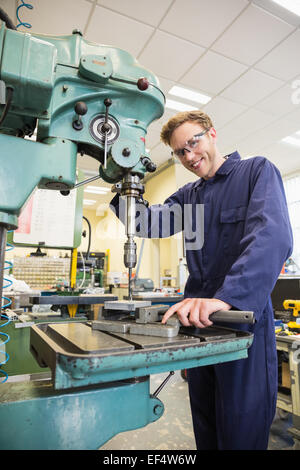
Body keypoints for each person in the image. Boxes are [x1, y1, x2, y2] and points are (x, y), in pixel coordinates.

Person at [110, 110, 293, 450]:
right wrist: (123, 183)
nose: (190, 157)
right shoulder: (189, 196)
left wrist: (226, 297)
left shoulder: (256, 172)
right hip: (197, 325)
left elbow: (273, 236)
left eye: (193, 143)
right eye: (180, 152)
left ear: (212, 134)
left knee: (241, 430)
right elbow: (147, 223)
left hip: (243, 322)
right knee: (206, 426)